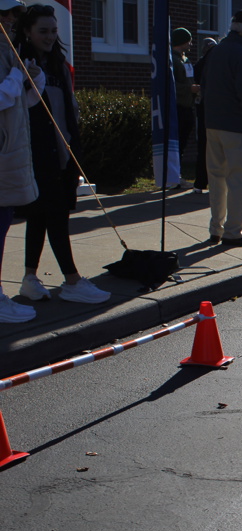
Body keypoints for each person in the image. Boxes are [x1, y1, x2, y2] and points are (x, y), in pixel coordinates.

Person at [15, 3, 110, 305]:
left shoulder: (58, 63)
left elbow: (69, 108)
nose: (49, 36)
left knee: (41, 216)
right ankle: (71, 280)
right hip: (34, 154)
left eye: (53, 31)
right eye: (42, 31)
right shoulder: (19, 62)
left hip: (62, 153)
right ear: (27, 32)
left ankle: (30, 278)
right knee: (53, 215)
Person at [201, 7, 242, 247]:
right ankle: (233, 232)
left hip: (213, 124)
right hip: (237, 126)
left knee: (216, 179)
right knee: (239, 181)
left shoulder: (216, 51)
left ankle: (215, 229)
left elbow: (203, 84)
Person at [0, 0, 41, 322]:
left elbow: (18, 105)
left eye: (15, 13)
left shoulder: (6, 46)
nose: (12, 19)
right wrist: (16, 76)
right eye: (6, 13)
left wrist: (31, 80)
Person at [192, 37, 216, 192]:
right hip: (215, 112)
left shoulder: (198, 65)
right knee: (216, 149)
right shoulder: (217, 65)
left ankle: (200, 183)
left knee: (203, 147)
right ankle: (214, 183)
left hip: (202, 110)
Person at [170, 27, 197, 169]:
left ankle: (178, 171)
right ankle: (174, 173)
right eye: (189, 41)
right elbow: (171, 84)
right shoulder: (172, 60)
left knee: (184, 142)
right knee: (177, 144)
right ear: (182, 41)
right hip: (178, 107)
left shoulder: (185, 60)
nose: (191, 44)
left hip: (188, 106)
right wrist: (189, 89)